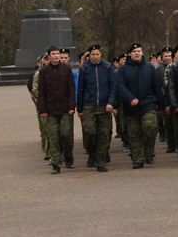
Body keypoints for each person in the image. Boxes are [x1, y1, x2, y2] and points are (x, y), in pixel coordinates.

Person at [116, 43, 163, 168]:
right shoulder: (123, 70)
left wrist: (161, 105)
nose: (137, 53)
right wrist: (130, 98)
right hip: (131, 107)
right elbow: (120, 86)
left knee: (150, 128)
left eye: (139, 51)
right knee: (134, 134)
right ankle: (137, 159)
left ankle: (149, 152)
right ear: (129, 54)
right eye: (134, 51)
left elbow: (156, 87)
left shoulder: (149, 68)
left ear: (142, 53)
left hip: (148, 104)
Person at [37, 45, 76, 174]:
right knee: (53, 137)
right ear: (49, 56)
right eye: (53, 54)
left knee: (65, 134)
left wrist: (72, 106)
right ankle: (55, 163)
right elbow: (41, 92)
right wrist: (42, 109)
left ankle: (68, 157)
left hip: (65, 109)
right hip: (50, 110)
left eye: (57, 54)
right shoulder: (44, 71)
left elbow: (71, 89)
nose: (56, 56)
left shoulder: (66, 68)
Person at [77, 44, 117, 172]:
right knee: (89, 132)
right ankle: (92, 153)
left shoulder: (107, 67)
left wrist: (111, 102)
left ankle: (100, 161)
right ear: (89, 56)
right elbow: (81, 89)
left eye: (97, 54)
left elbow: (113, 87)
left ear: (101, 54)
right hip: (89, 105)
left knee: (104, 134)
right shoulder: (85, 68)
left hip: (104, 106)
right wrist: (79, 109)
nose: (95, 56)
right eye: (93, 54)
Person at [30, 53, 51, 162]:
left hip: (56, 105)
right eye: (45, 58)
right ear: (42, 60)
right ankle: (48, 151)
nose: (48, 60)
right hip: (43, 106)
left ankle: (55, 152)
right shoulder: (39, 73)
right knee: (45, 130)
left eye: (49, 58)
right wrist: (41, 103)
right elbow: (34, 90)